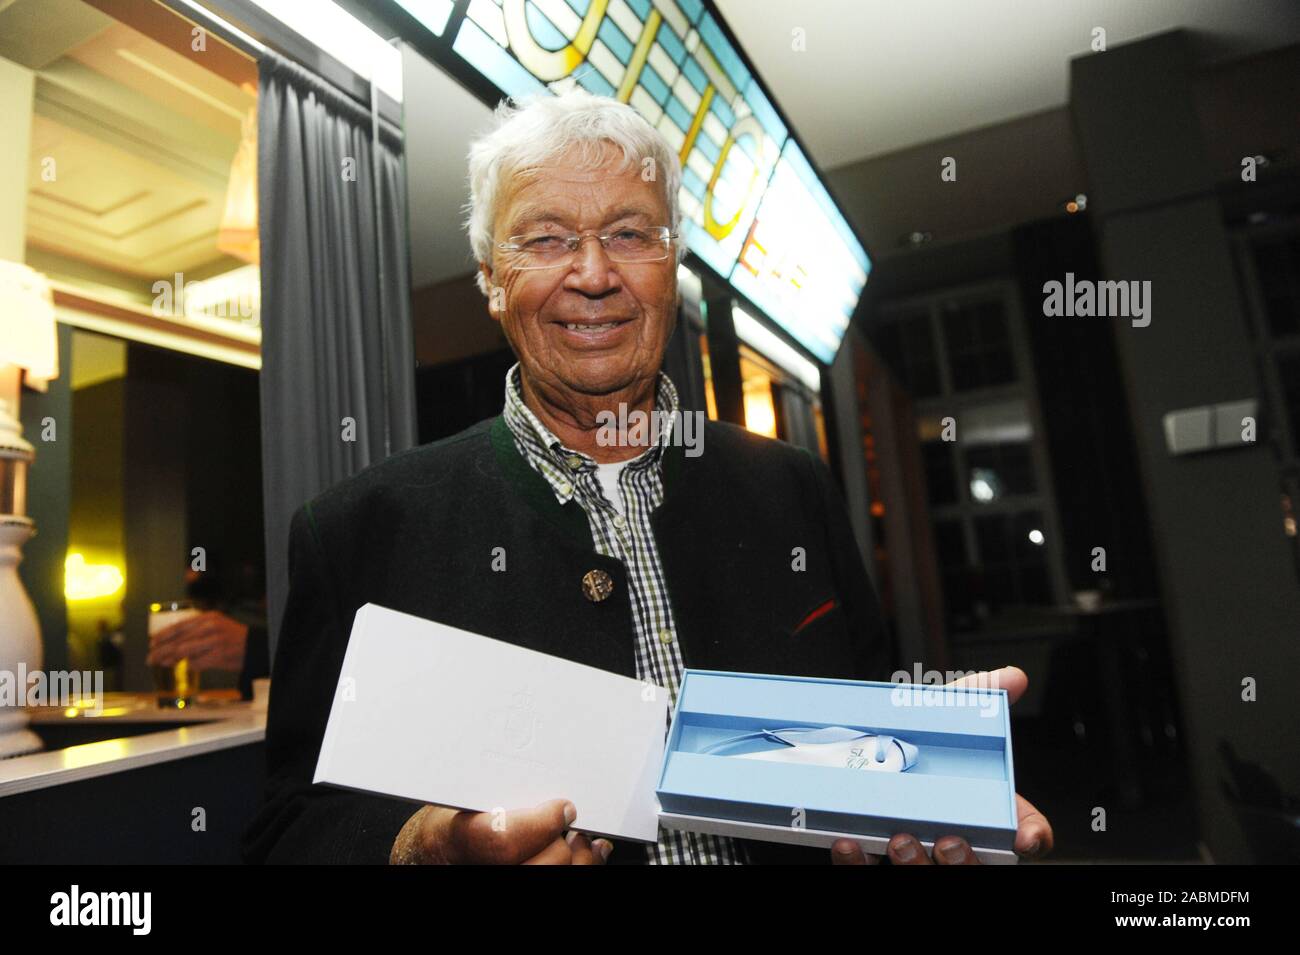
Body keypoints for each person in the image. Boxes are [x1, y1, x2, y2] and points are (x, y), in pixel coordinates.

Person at [242, 88, 1053, 865]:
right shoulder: (358, 532)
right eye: (546, 238)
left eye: (631, 234)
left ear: (674, 266)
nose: (593, 274)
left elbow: (862, 746)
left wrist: (934, 781)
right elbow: (288, 834)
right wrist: (427, 848)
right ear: (491, 279)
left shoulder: (794, 487)